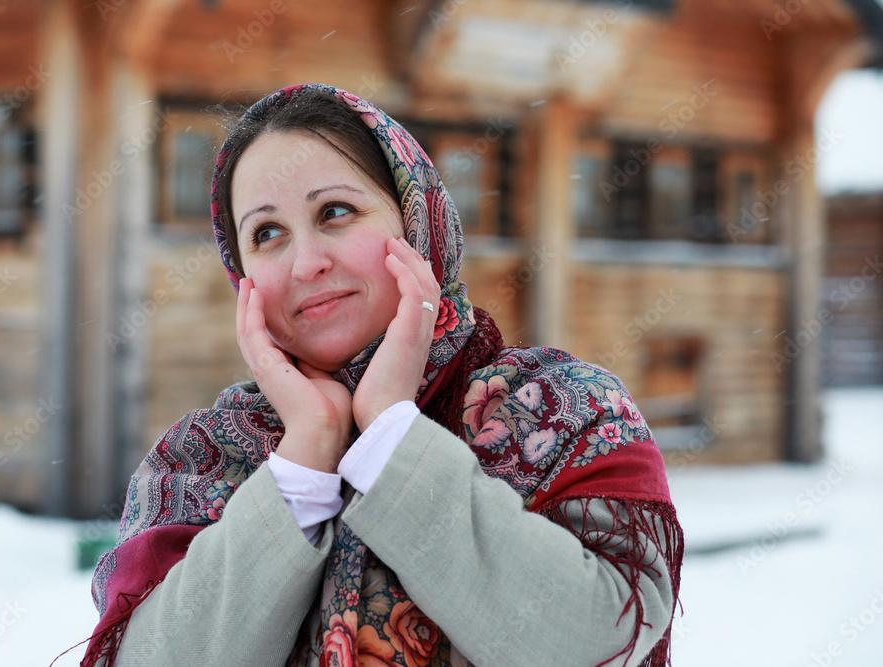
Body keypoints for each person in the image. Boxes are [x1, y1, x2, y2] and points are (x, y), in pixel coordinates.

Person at [80, 83, 683, 667]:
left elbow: (599, 645)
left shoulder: (561, 410)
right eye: (267, 234)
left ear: (416, 222)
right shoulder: (202, 460)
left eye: (335, 212)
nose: (308, 263)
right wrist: (304, 459)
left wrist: (394, 439)